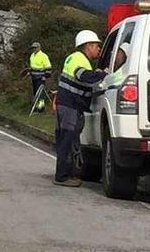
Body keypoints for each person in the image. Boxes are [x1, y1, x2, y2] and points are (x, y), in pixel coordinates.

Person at [54, 30, 106, 186]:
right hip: (71, 106)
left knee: (64, 139)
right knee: (68, 140)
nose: (99, 49)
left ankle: (65, 173)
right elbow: (82, 75)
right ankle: (63, 176)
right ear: (88, 46)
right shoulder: (80, 60)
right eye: (97, 46)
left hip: (65, 104)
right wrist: (102, 75)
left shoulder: (72, 57)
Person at [28, 42, 52, 112]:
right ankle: (36, 107)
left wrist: (45, 76)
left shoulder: (43, 56)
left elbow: (48, 67)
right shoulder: (32, 55)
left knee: (40, 93)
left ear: (39, 48)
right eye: (33, 48)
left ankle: (41, 109)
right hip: (34, 77)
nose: (34, 49)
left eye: (35, 48)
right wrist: (29, 72)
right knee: (35, 92)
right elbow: (32, 66)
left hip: (41, 77)